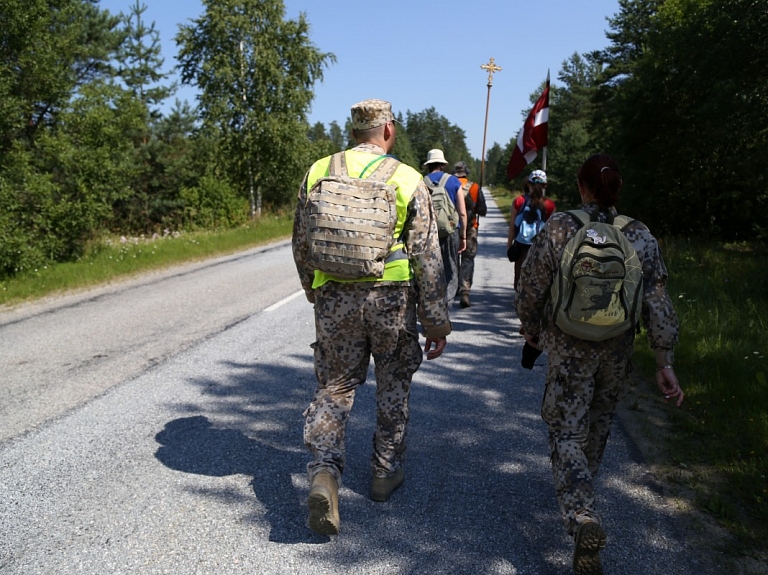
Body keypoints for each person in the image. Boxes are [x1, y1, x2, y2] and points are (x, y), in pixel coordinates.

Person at [515, 154, 683, 575]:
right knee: (599, 424)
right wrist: (664, 359)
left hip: (570, 348)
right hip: (617, 348)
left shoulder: (561, 227)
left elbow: (531, 285)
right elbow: (657, 300)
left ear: (582, 187)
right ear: (617, 189)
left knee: (566, 431)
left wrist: (530, 326)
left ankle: (582, 515)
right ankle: (582, 489)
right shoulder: (639, 234)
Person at [292, 99, 452, 536]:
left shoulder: (318, 170)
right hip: (391, 299)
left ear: (354, 129)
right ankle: (384, 472)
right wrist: (435, 320)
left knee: (335, 387)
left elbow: (301, 242)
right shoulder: (407, 177)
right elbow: (427, 255)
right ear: (388, 129)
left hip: (335, 298)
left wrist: (314, 290)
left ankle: (325, 473)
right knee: (393, 385)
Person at [423, 149, 467, 303]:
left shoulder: (422, 182)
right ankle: (446, 305)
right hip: (450, 232)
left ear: (428, 165)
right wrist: (463, 236)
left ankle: (432, 305)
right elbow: (462, 213)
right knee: (451, 270)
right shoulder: (454, 181)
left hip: (429, 233)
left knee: (431, 271)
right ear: (442, 164)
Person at [506, 169, 556, 291]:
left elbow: (513, 227)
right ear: (545, 185)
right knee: (537, 279)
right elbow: (552, 230)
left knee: (520, 277)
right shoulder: (549, 205)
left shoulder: (519, 202)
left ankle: (519, 301)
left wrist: (509, 246)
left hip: (520, 245)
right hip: (540, 247)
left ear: (528, 184)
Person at [453, 160, 487, 308]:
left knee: (452, 258)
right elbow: (483, 210)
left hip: (453, 227)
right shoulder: (474, 187)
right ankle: (465, 291)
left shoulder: (449, 184)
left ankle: (452, 287)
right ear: (466, 172)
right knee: (468, 259)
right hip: (471, 227)